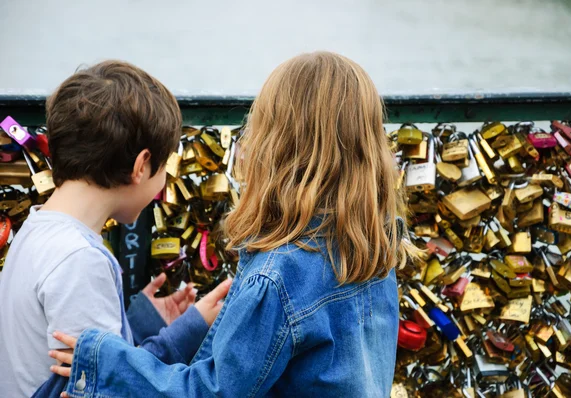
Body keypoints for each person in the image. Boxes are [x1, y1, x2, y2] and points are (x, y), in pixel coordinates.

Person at [51, 51, 420, 397]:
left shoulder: (278, 277)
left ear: (275, 146)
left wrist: (107, 362)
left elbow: (211, 391)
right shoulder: (374, 249)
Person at [0, 60, 231, 397]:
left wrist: (142, 324)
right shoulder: (79, 260)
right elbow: (110, 387)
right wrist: (190, 332)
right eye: (163, 166)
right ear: (141, 165)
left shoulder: (36, 232)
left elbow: (80, 366)